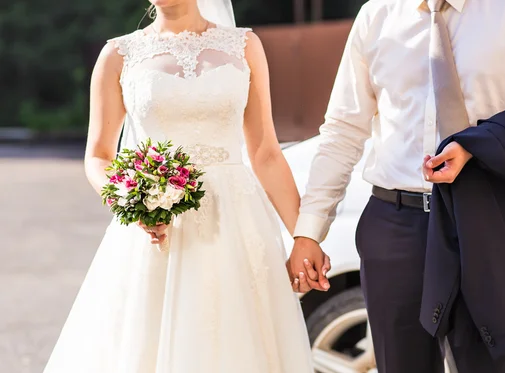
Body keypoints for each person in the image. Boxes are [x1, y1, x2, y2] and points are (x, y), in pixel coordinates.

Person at [287, 0, 505, 372]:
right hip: (396, 225)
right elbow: (343, 131)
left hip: (491, 221)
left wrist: (480, 145)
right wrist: (309, 231)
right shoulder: (376, 15)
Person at [43, 1, 325, 371]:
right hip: (157, 230)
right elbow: (98, 156)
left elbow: (265, 153)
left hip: (235, 228)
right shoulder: (118, 54)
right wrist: (131, 202)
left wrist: (304, 236)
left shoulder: (245, 46)